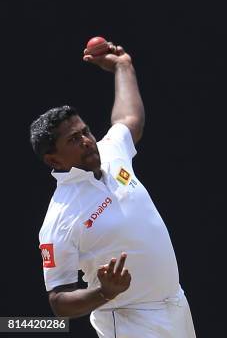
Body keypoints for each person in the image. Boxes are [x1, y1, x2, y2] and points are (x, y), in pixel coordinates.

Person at [30, 41, 197, 337]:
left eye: (85, 132)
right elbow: (58, 300)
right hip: (130, 321)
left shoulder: (111, 151)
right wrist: (103, 293)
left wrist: (123, 67)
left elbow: (129, 120)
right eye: (73, 140)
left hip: (175, 305)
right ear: (53, 159)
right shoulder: (59, 219)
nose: (86, 141)